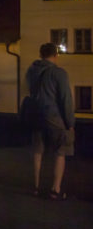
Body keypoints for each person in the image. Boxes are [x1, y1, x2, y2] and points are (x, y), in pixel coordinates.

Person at [26, 43, 75, 200]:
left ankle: (36, 186)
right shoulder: (59, 73)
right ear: (55, 55)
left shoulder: (32, 71)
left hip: (35, 115)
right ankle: (55, 189)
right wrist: (70, 123)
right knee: (61, 150)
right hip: (54, 117)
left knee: (38, 151)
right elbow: (65, 99)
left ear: (41, 55)